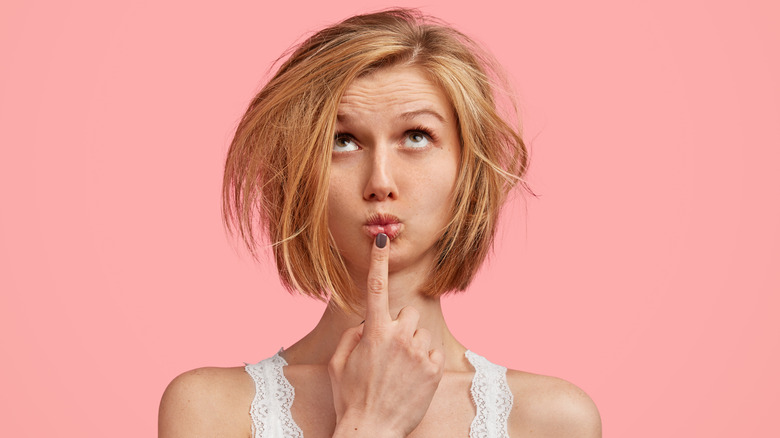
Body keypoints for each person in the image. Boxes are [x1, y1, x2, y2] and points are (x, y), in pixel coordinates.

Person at [159, 8, 601, 438]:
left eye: (416, 137)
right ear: (300, 174)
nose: (380, 183)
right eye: (344, 141)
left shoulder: (552, 422)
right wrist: (370, 424)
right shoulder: (210, 410)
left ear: (467, 171)